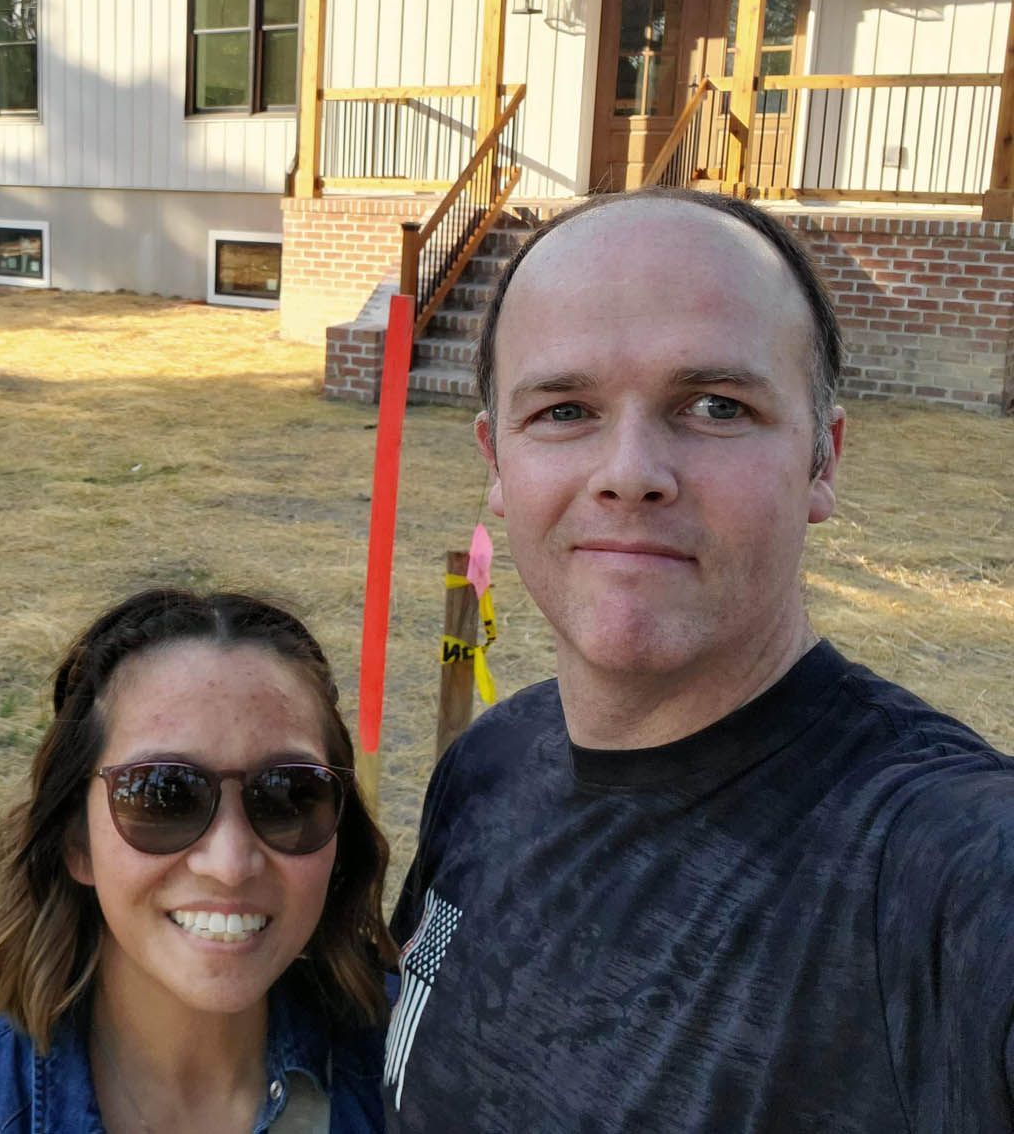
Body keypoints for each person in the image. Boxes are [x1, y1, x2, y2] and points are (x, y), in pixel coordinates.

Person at [382, 187, 1014, 1132]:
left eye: (716, 405)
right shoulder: (486, 768)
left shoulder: (944, 868)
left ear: (823, 461)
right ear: (497, 465)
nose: (630, 471)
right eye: (564, 410)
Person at [0, 588, 397, 1132]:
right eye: (164, 795)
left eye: (289, 797)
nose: (230, 863)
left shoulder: (430, 1067)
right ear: (77, 840)